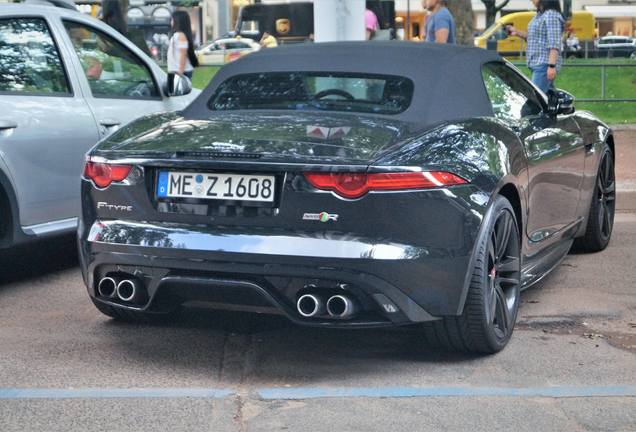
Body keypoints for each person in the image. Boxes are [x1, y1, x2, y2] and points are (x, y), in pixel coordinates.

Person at [507, 0, 564, 93]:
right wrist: (517, 32)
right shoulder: (539, 15)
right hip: (537, 64)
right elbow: (534, 38)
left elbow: (554, 43)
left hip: (544, 65)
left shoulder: (551, 15)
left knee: (534, 101)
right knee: (546, 100)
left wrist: (551, 66)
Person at [167, 10, 198, 93]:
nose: (171, 21)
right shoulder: (177, 35)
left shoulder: (181, 36)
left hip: (180, 72)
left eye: (172, 19)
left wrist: (179, 75)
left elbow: (182, 55)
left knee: (179, 97)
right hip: (176, 71)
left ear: (178, 21)